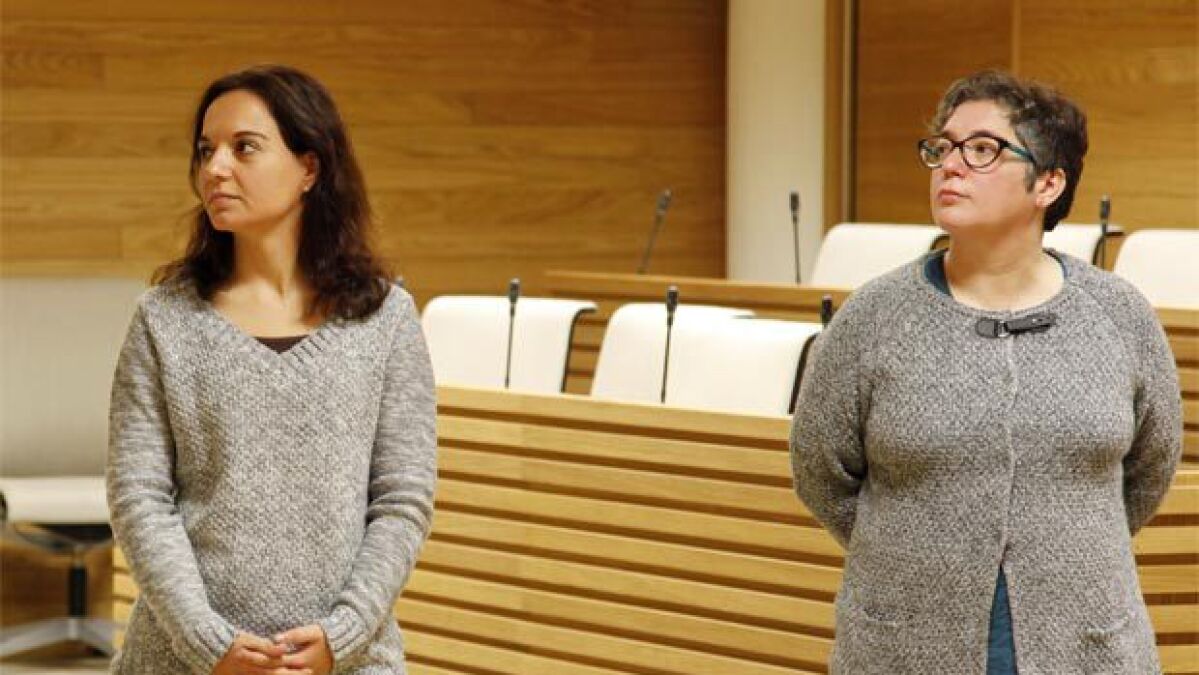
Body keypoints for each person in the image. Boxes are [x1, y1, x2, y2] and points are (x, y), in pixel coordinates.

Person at [790, 70, 1181, 674]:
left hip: (1087, 644)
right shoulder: (874, 316)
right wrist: (909, 556)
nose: (950, 166)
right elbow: (820, 472)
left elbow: (1151, 468)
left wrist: (1066, 548)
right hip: (905, 645)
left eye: (982, 150)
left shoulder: (1118, 313)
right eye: (943, 148)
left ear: (1048, 182)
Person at [107, 64, 437, 674]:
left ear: (309, 168)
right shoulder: (163, 319)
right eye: (206, 150)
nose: (215, 169)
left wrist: (343, 635)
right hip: (181, 661)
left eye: (244, 148)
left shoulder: (387, 319)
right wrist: (207, 642)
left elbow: (402, 501)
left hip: (347, 661)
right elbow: (139, 499)